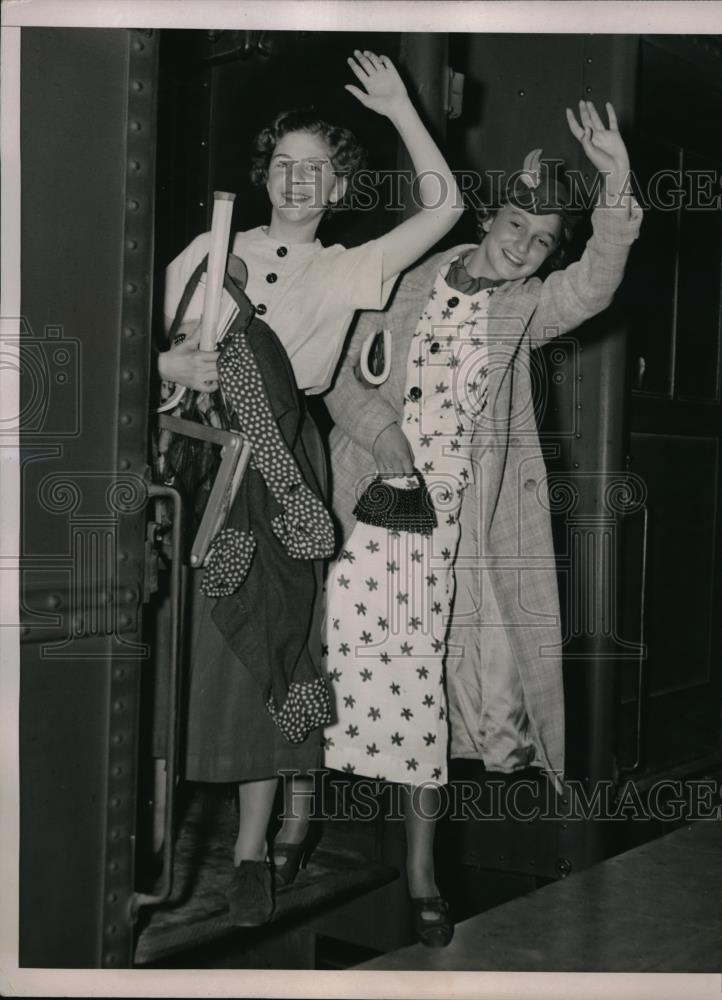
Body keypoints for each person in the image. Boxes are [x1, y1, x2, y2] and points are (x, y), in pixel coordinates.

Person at [321, 99, 642, 946]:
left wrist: (614, 179)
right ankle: (285, 830)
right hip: (363, 512)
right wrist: (385, 439)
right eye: (515, 226)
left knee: (424, 698)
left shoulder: (525, 309)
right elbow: (338, 378)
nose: (523, 247)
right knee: (318, 671)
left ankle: (423, 869)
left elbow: (596, 279)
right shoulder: (403, 278)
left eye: (542, 242)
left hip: (453, 539)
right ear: (491, 216)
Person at [155, 49, 463, 925]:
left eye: (314, 170)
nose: (295, 181)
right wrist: (163, 360)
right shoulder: (213, 251)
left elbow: (445, 207)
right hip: (205, 460)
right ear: (265, 175)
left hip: (285, 457)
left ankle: (249, 854)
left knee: (272, 655)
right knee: (193, 650)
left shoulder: (346, 267)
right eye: (283, 165)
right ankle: (163, 839)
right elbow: (136, 338)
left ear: (337, 187)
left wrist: (403, 107)